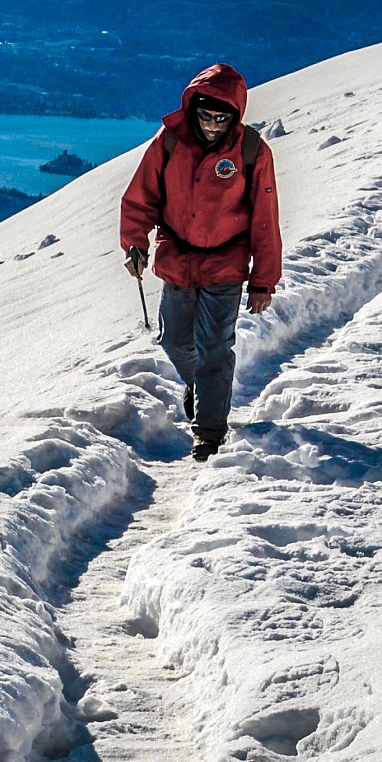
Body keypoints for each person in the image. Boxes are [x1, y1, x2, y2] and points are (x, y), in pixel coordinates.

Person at [119, 62, 283, 462]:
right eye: (205, 115)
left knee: (214, 347)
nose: (211, 124)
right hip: (177, 257)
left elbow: (265, 219)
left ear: (235, 116)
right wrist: (135, 243)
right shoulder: (170, 142)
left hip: (226, 262)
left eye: (221, 117)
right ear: (193, 108)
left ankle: (208, 433)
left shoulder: (252, 152)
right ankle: (200, 386)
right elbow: (142, 197)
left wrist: (263, 281)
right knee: (175, 340)